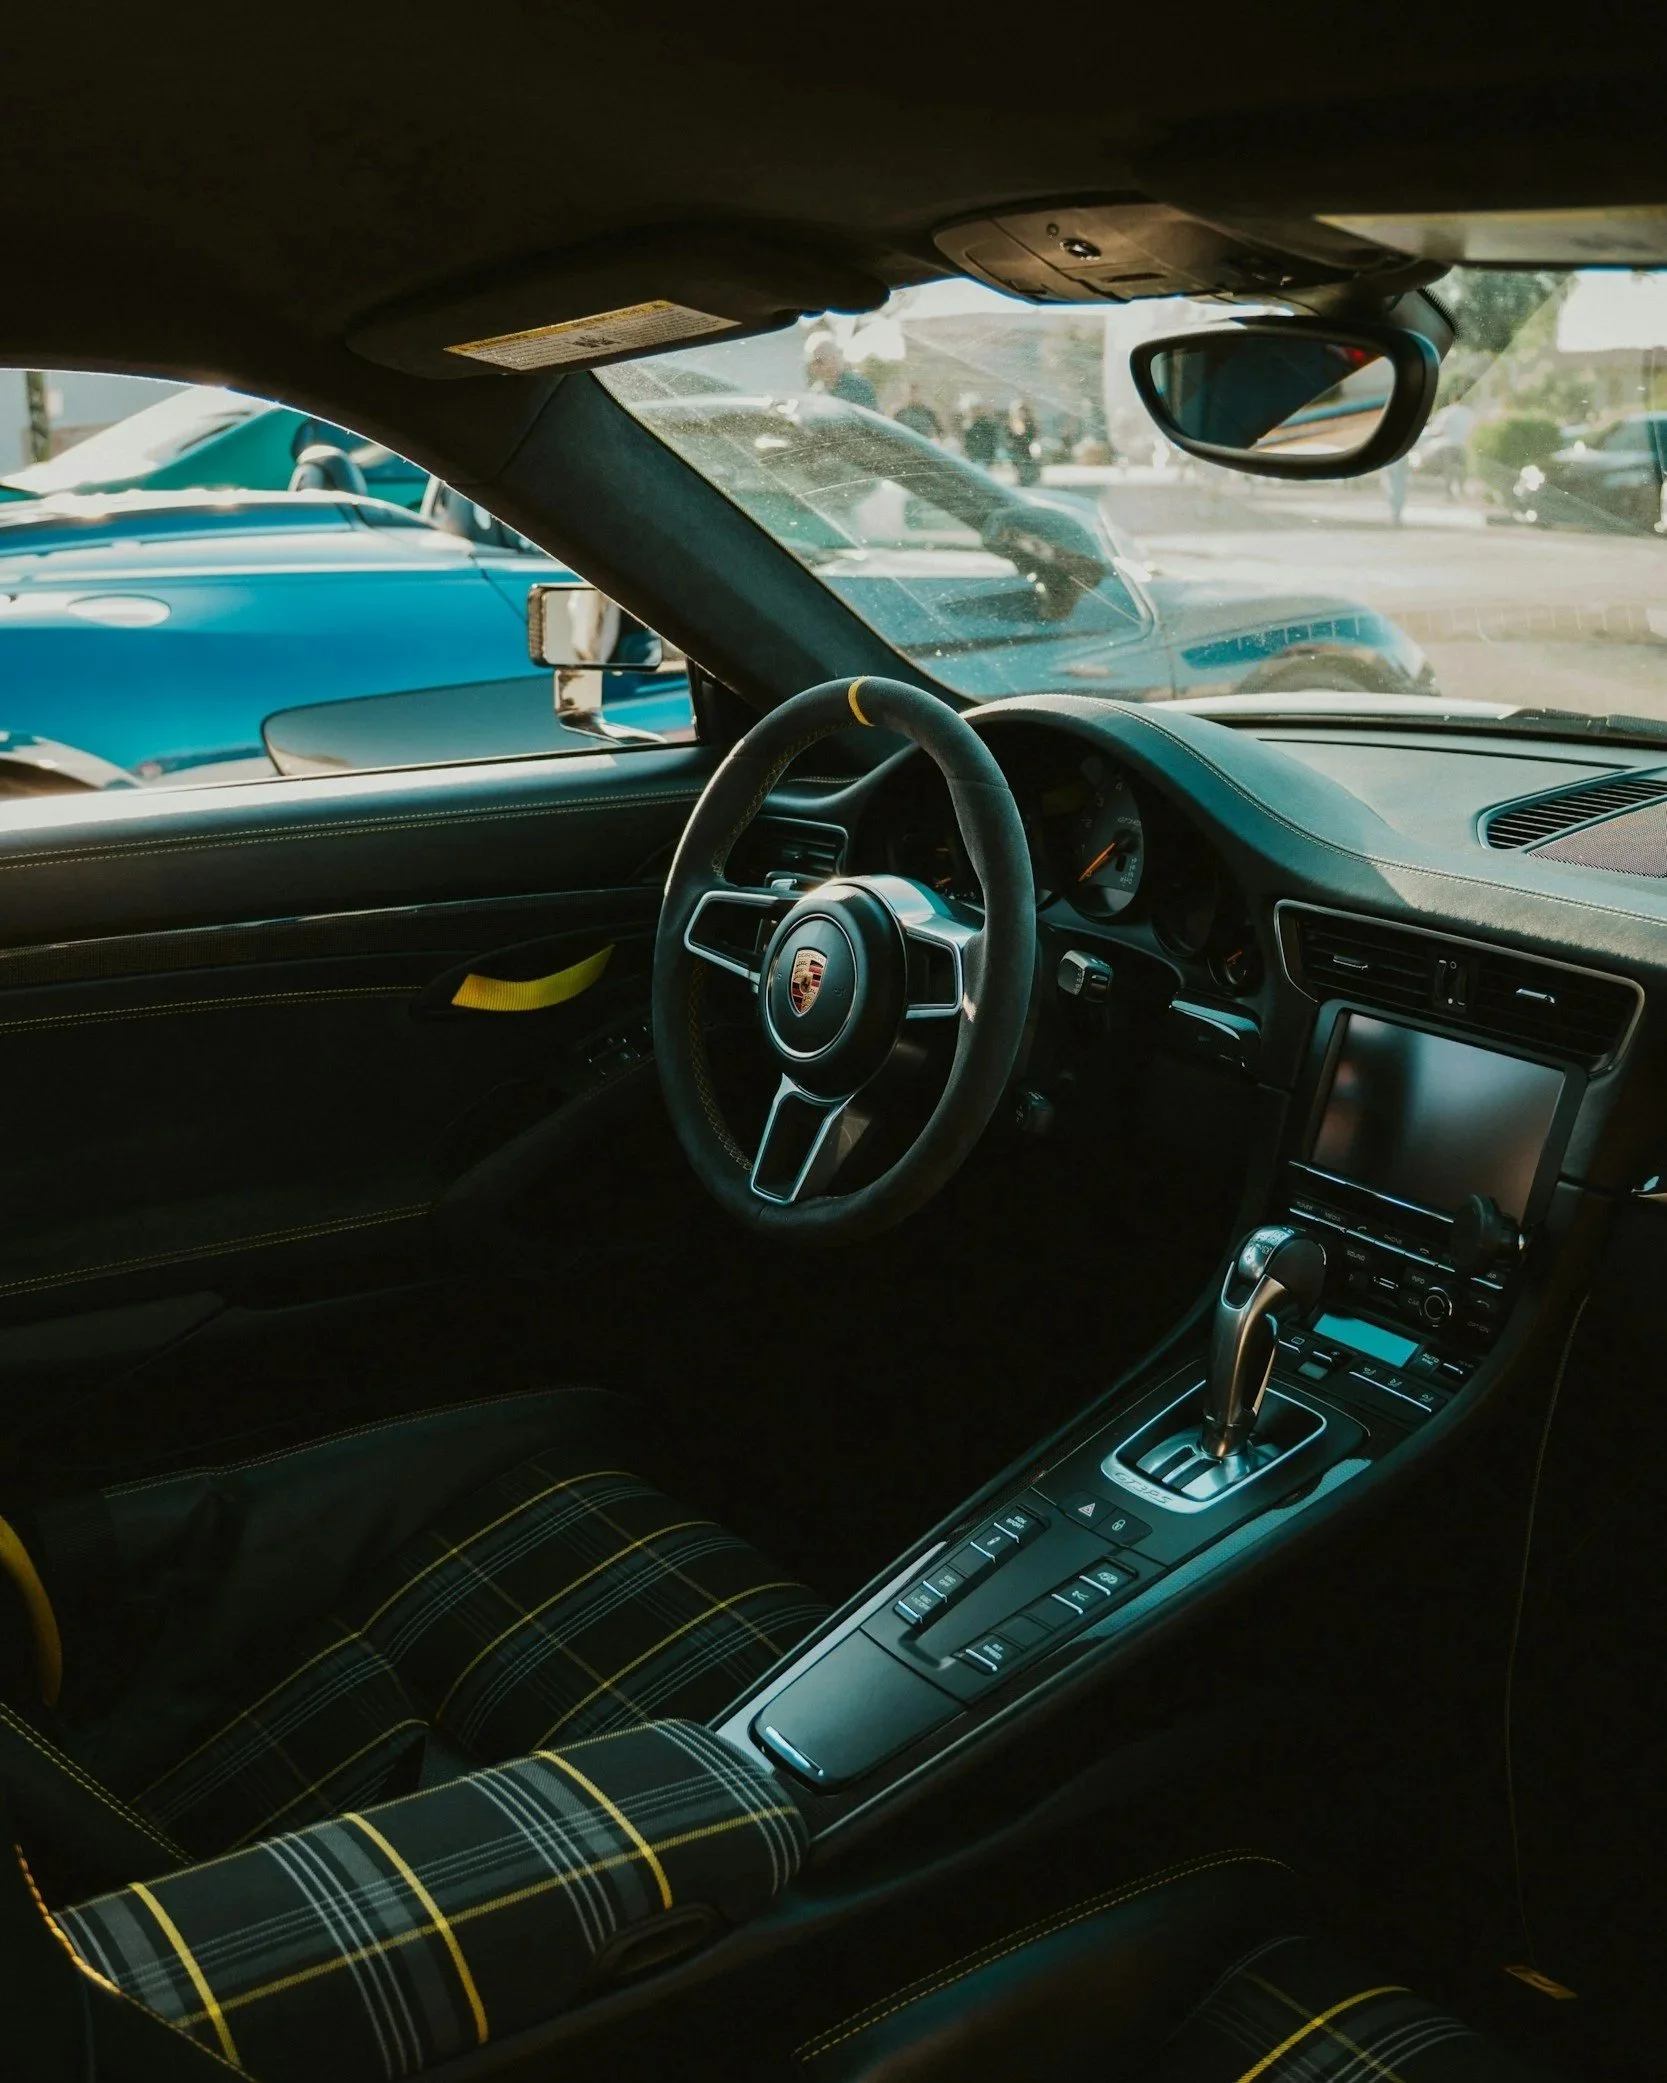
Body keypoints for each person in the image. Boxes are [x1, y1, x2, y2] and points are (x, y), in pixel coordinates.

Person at [803, 332, 878, 410]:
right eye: (812, 364)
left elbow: (864, 416)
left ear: (834, 360)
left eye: (819, 362)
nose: (815, 368)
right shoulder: (817, 390)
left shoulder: (857, 386)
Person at [1004, 399, 1041, 485]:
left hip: (1027, 451)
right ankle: (1023, 480)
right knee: (1020, 469)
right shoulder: (1012, 423)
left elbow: (1032, 435)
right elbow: (1009, 437)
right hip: (1016, 451)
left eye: (1022, 411)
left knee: (1028, 468)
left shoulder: (1029, 423)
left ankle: (1028, 480)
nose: (1020, 413)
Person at [960, 395, 1001, 466]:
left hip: (983, 460)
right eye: (970, 410)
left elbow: (992, 443)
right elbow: (963, 445)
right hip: (969, 460)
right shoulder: (964, 427)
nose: (972, 412)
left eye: (976, 409)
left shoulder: (986, 425)